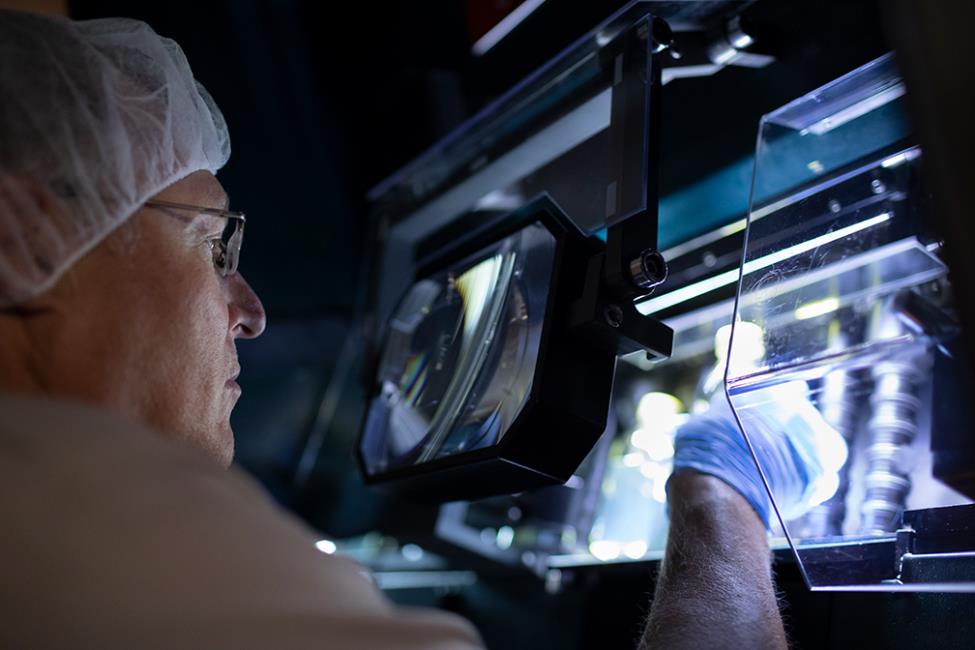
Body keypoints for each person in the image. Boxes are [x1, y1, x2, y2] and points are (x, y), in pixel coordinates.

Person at [0, 9, 833, 650]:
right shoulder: (129, 550)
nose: (250, 314)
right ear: (27, 232)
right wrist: (722, 494)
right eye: (214, 243)